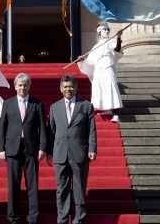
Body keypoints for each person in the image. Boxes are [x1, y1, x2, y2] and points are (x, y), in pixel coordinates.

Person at [0, 73, 47, 224]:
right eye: (20, 85)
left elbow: (43, 128)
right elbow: (2, 127)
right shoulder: (7, 103)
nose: (22, 87)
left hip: (31, 149)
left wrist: (43, 148)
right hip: (12, 149)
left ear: (29, 86)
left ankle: (33, 216)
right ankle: (13, 216)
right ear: (15, 87)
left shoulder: (37, 104)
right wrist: (1, 148)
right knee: (13, 184)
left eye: (25, 85)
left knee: (32, 184)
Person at [47, 75, 97, 224]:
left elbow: (91, 130)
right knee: (61, 189)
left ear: (76, 88)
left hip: (79, 153)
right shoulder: (54, 107)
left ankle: (78, 219)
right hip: (60, 153)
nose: (68, 89)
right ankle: (62, 218)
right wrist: (49, 151)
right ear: (61, 89)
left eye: (71, 86)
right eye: (65, 87)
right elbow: (51, 131)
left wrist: (92, 148)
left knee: (79, 188)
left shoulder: (86, 105)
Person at [77, 23, 123, 122]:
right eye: (105, 29)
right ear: (99, 32)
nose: (107, 31)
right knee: (100, 89)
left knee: (111, 88)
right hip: (99, 70)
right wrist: (83, 59)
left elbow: (117, 50)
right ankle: (106, 109)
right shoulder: (96, 46)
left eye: (108, 29)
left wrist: (119, 37)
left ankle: (116, 114)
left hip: (108, 67)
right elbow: (91, 61)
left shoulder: (112, 41)